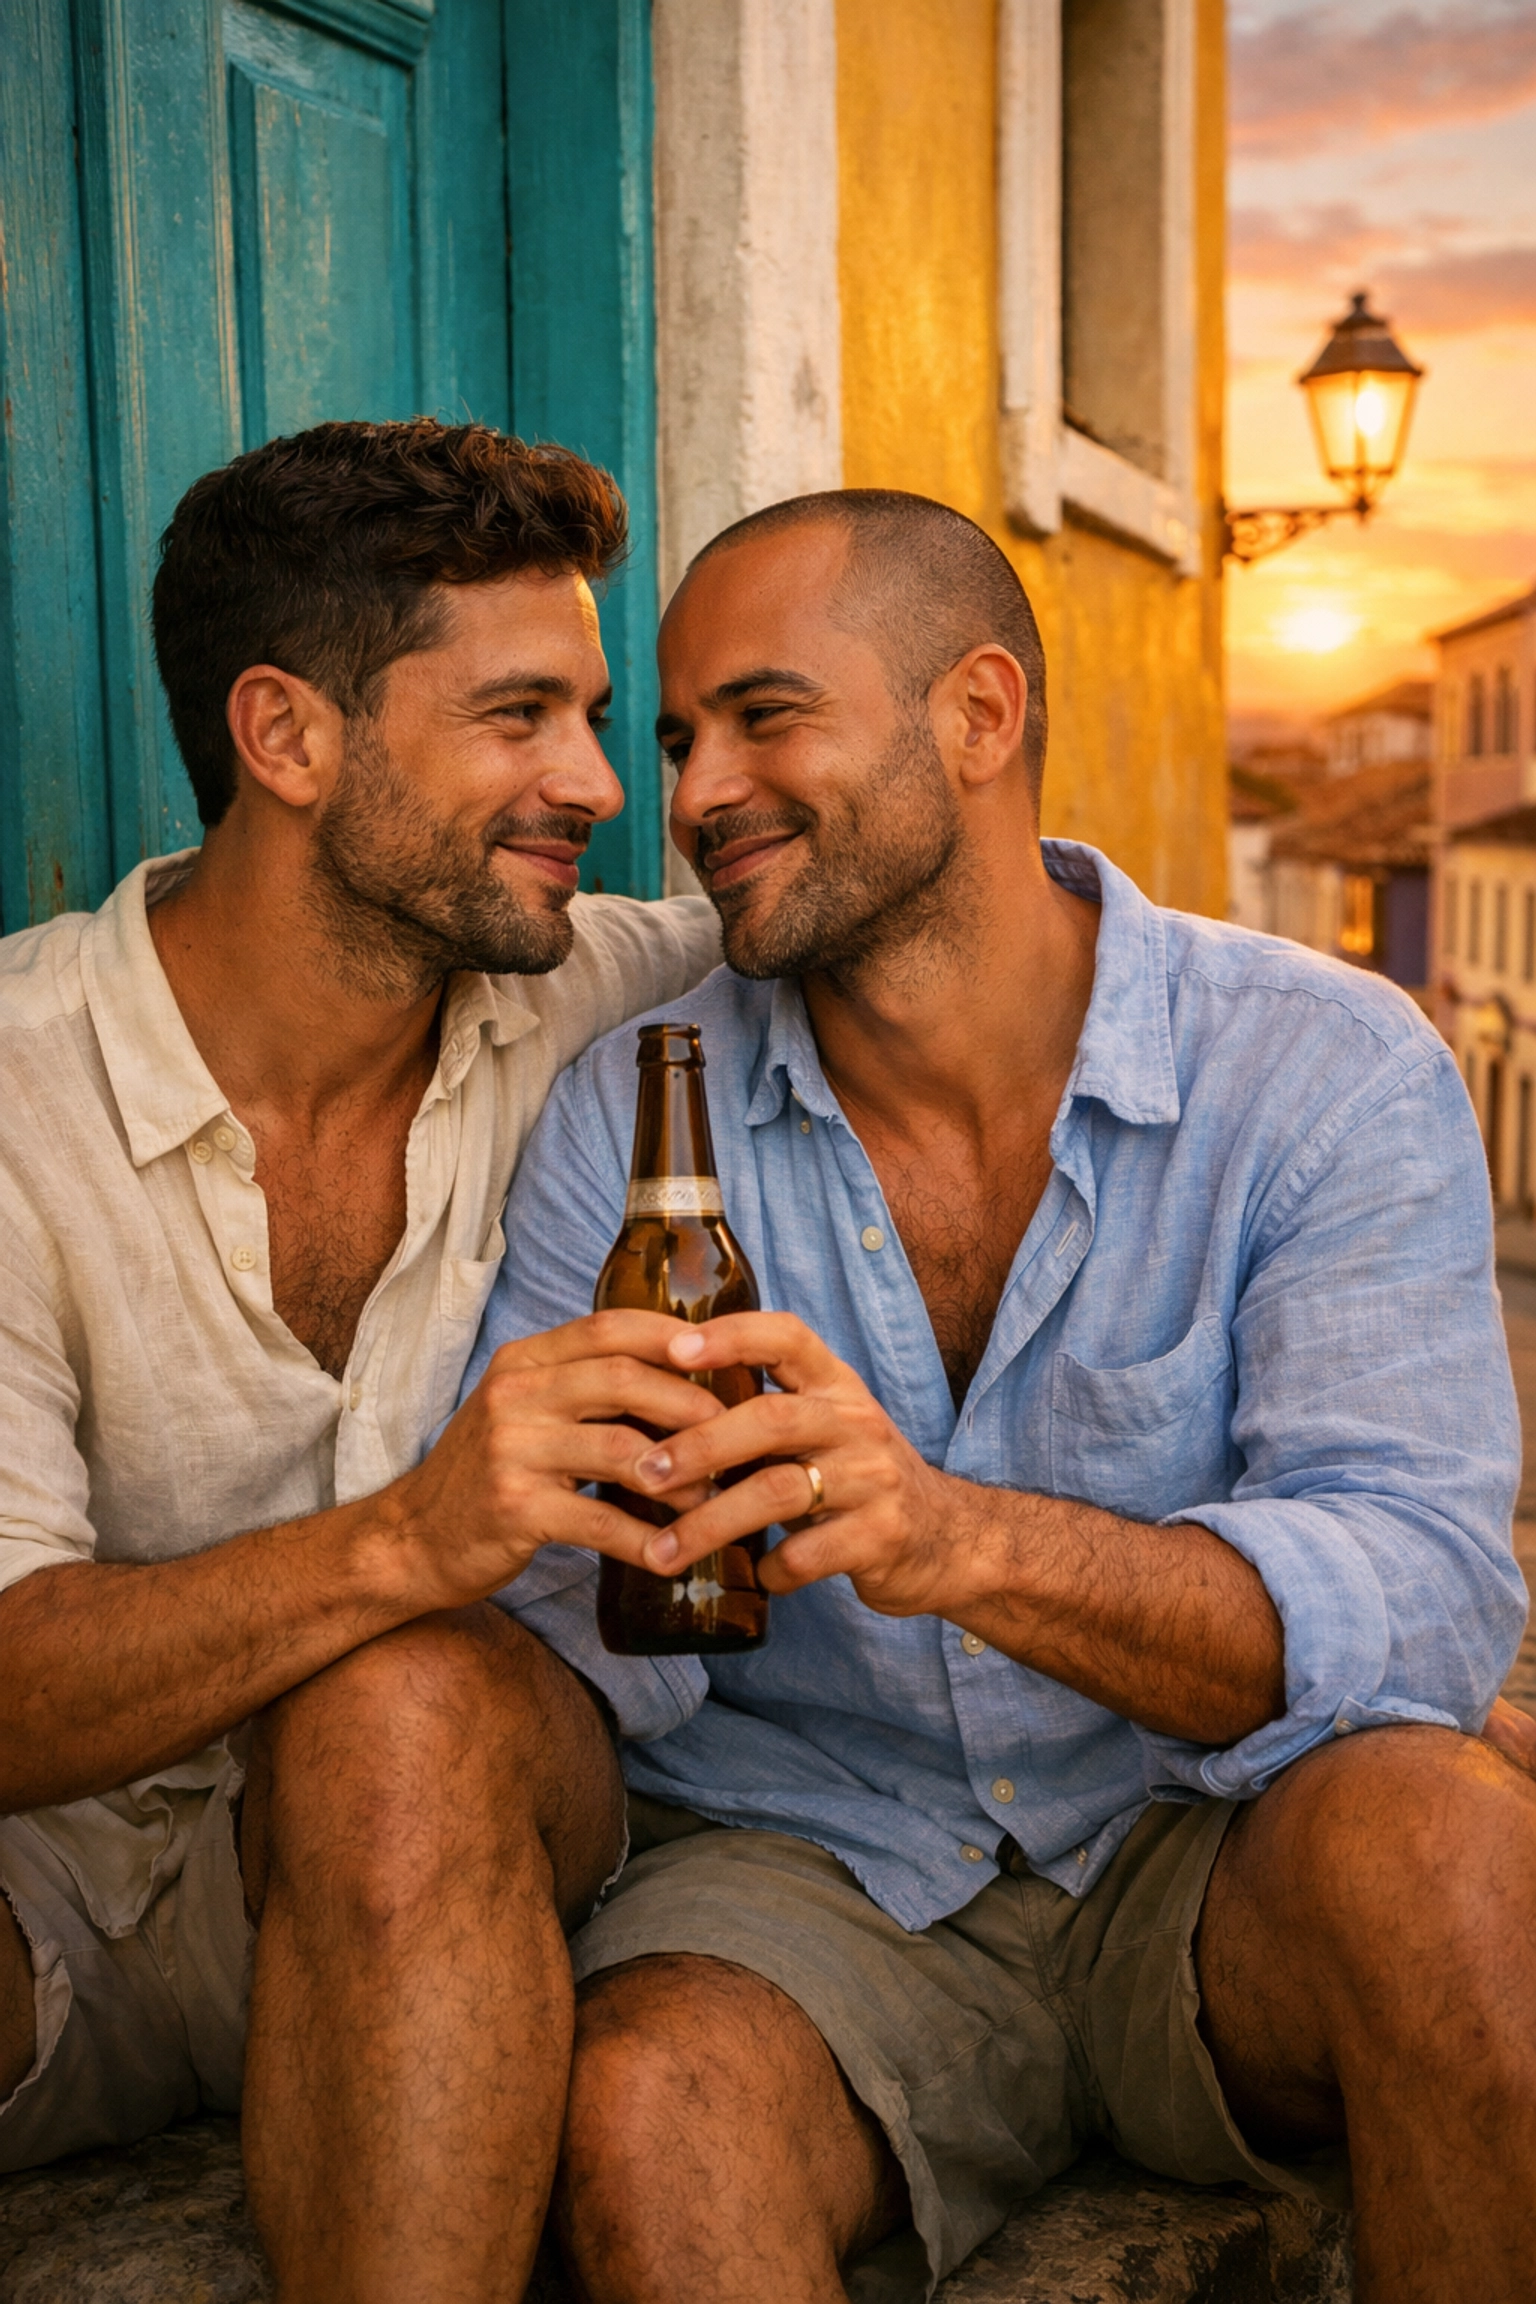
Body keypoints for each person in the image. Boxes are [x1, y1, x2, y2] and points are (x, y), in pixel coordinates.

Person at [466, 488, 1536, 2304]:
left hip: (1206, 1847)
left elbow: (1428, 1591)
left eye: (765, 715)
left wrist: (955, 1539)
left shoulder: (1324, 1070)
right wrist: (612, 1545)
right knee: (646, 2113)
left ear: (979, 716)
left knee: (1461, 1869)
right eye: (677, 737)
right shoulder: (634, 1120)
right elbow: (562, 1630)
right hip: (810, 1873)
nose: (696, 791)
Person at [0, 418, 736, 2298]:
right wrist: (412, 1533)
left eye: (595, 715)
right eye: (518, 716)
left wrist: (1326, 1621)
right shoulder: (14, 1087)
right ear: (287, 736)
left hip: (439, 1853)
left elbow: (946, 932)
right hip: (58, 1876)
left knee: (395, 1725)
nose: (592, 782)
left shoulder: (607, 988)